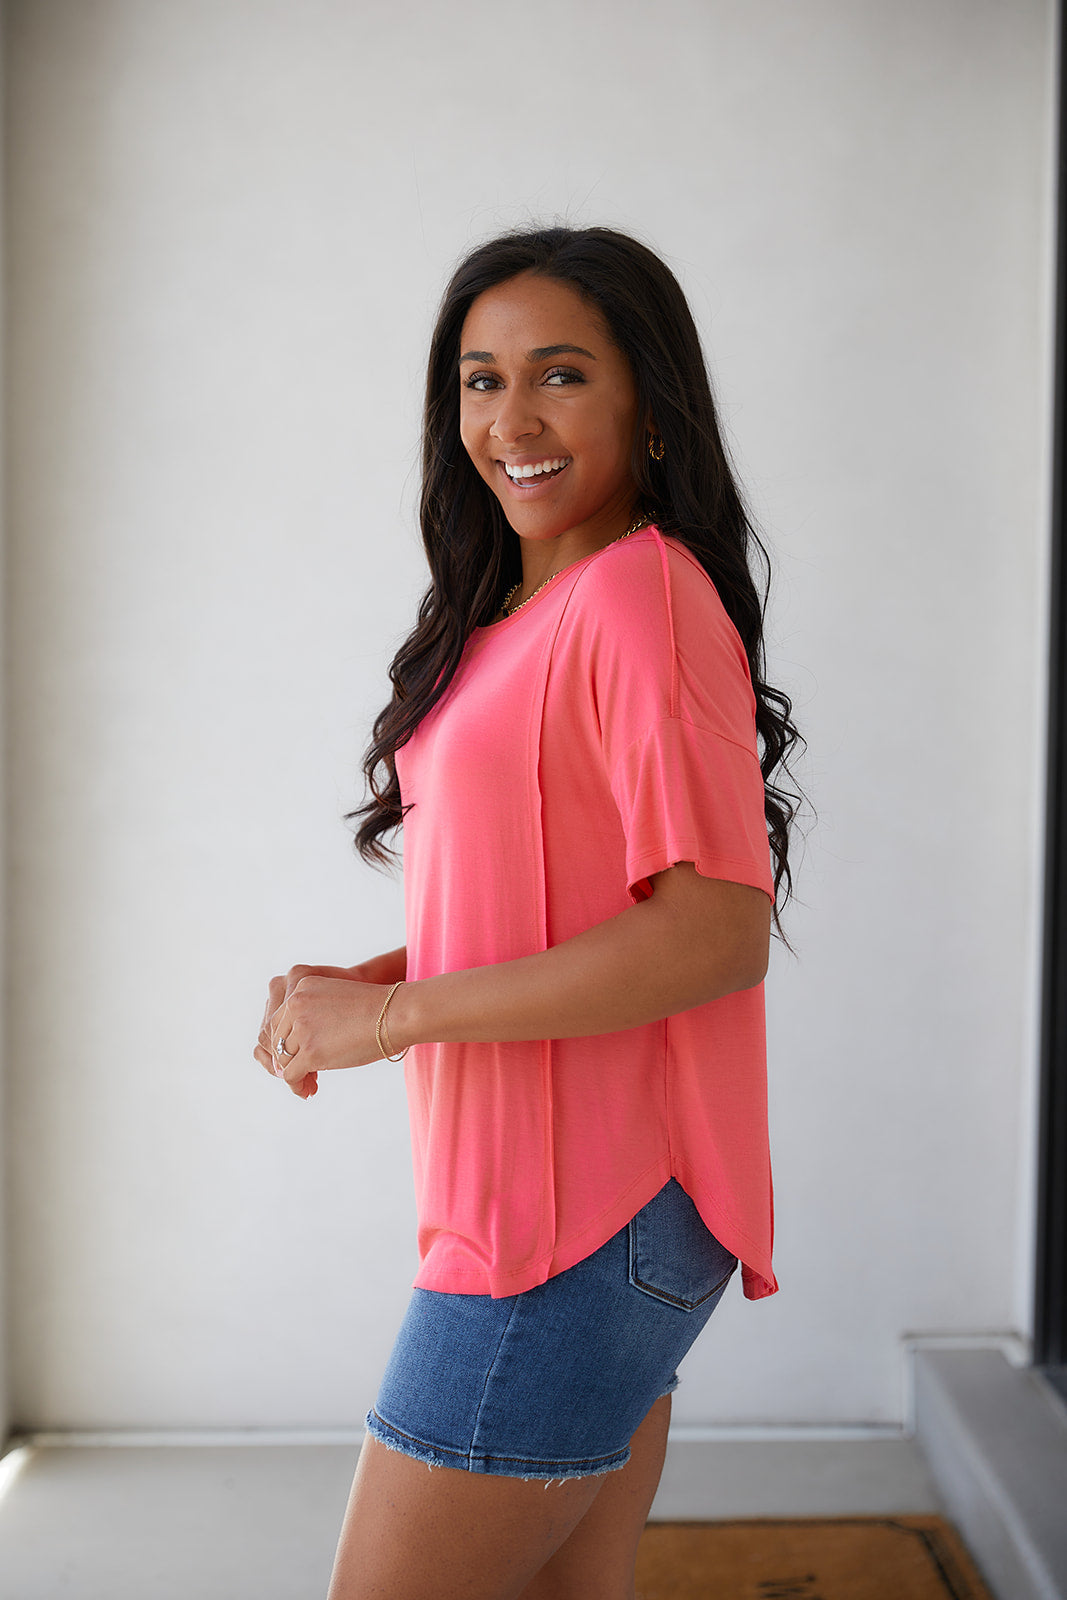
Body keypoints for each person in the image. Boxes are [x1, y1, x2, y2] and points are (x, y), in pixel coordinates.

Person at [255, 225, 801, 1600]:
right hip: (554, 1208)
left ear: (651, 404)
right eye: (481, 380)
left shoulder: (641, 596)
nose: (512, 420)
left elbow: (713, 930)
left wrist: (394, 1017)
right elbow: (558, 897)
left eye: (560, 374)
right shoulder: (520, 613)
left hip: (579, 1220)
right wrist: (375, 981)